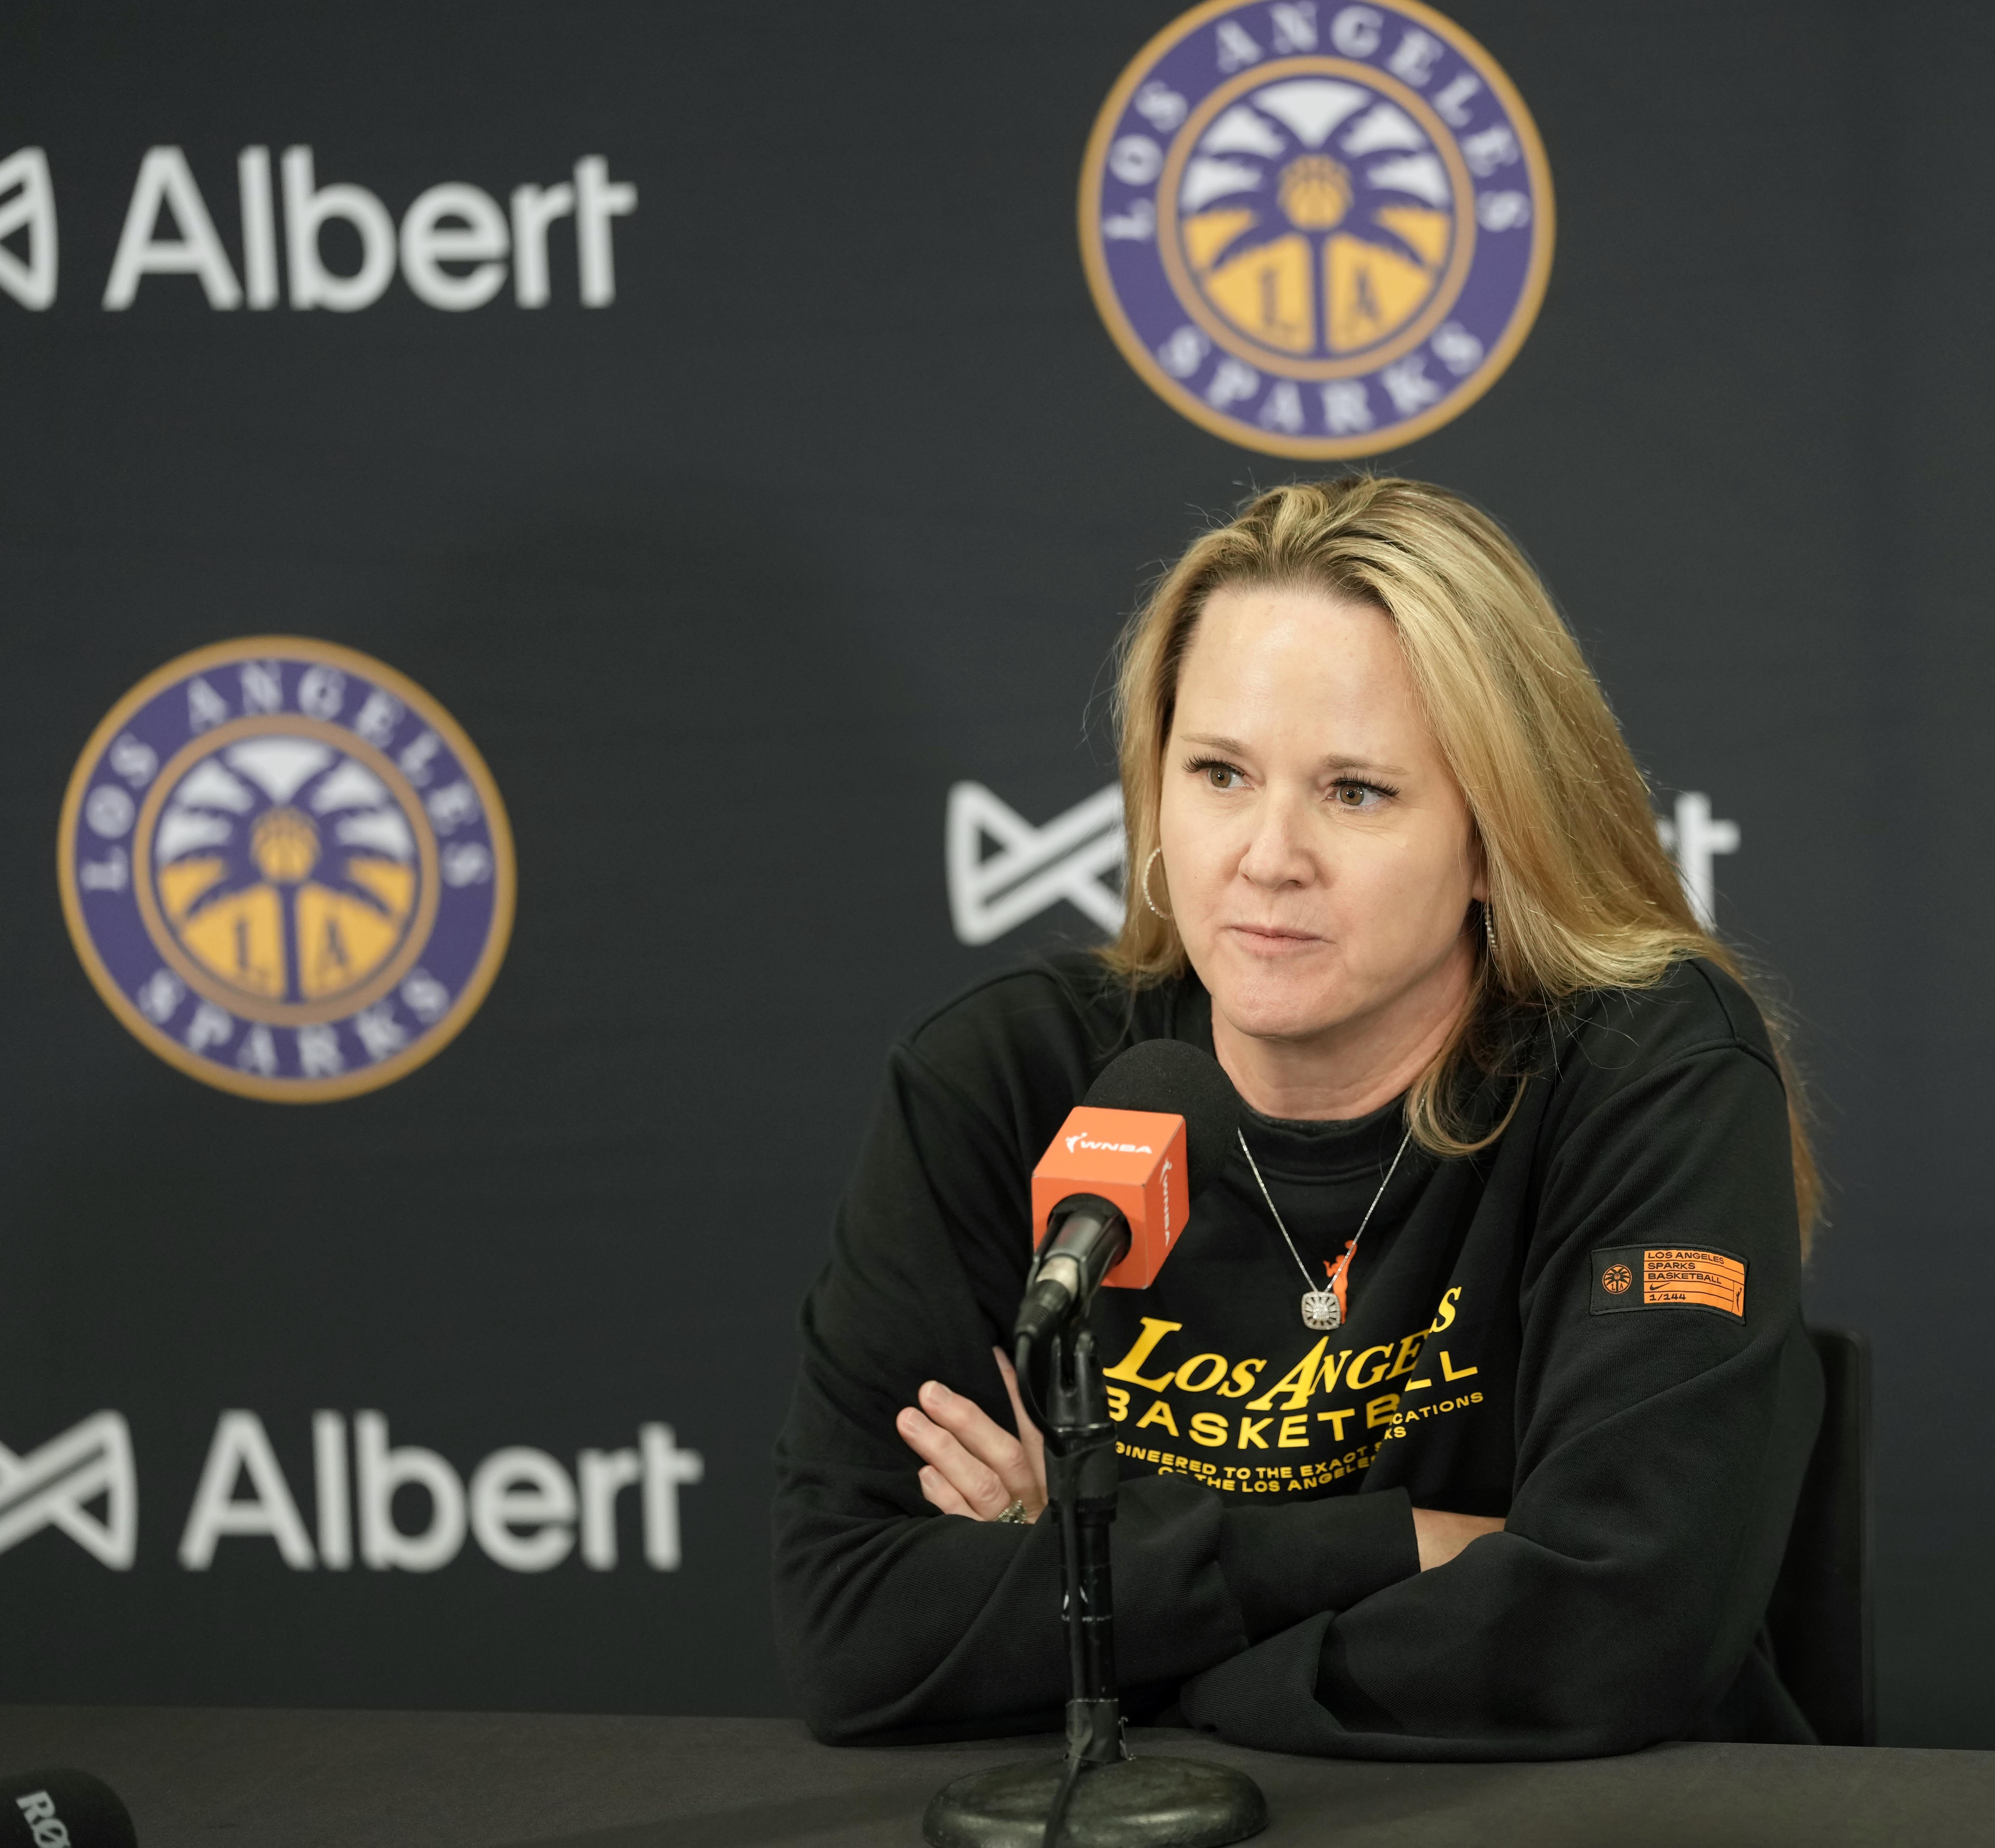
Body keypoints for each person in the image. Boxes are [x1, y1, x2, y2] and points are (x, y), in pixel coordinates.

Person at [773, 476, 1825, 1758]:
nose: (1267, 856)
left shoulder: (1643, 1072)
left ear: (1497, 838)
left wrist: (1116, 1611)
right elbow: (857, 1628)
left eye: (1355, 792)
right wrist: (1401, 1545)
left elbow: (1618, 1624)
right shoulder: (999, 1079)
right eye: (1219, 772)